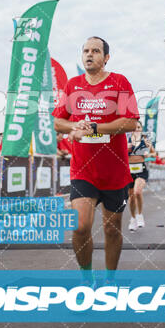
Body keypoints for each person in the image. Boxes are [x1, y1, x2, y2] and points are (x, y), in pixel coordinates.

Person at [52, 36, 139, 286]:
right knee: (80, 227)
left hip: (114, 172)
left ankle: (110, 281)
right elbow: (58, 121)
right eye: (86, 51)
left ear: (106, 57)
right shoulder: (73, 85)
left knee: (112, 229)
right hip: (83, 170)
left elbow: (131, 121)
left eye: (96, 51)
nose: (89, 54)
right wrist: (74, 126)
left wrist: (93, 128)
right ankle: (87, 279)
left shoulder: (119, 82)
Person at [127, 121, 156, 231]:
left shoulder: (145, 141)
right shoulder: (126, 141)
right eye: (134, 127)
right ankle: (133, 218)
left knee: (137, 191)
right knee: (131, 198)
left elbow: (154, 154)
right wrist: (125, 148)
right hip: (129, 171)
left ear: (141, 129)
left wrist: (149, 154)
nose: (136, 129)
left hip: (141, 170)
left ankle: (140, 215)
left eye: (138, 127)